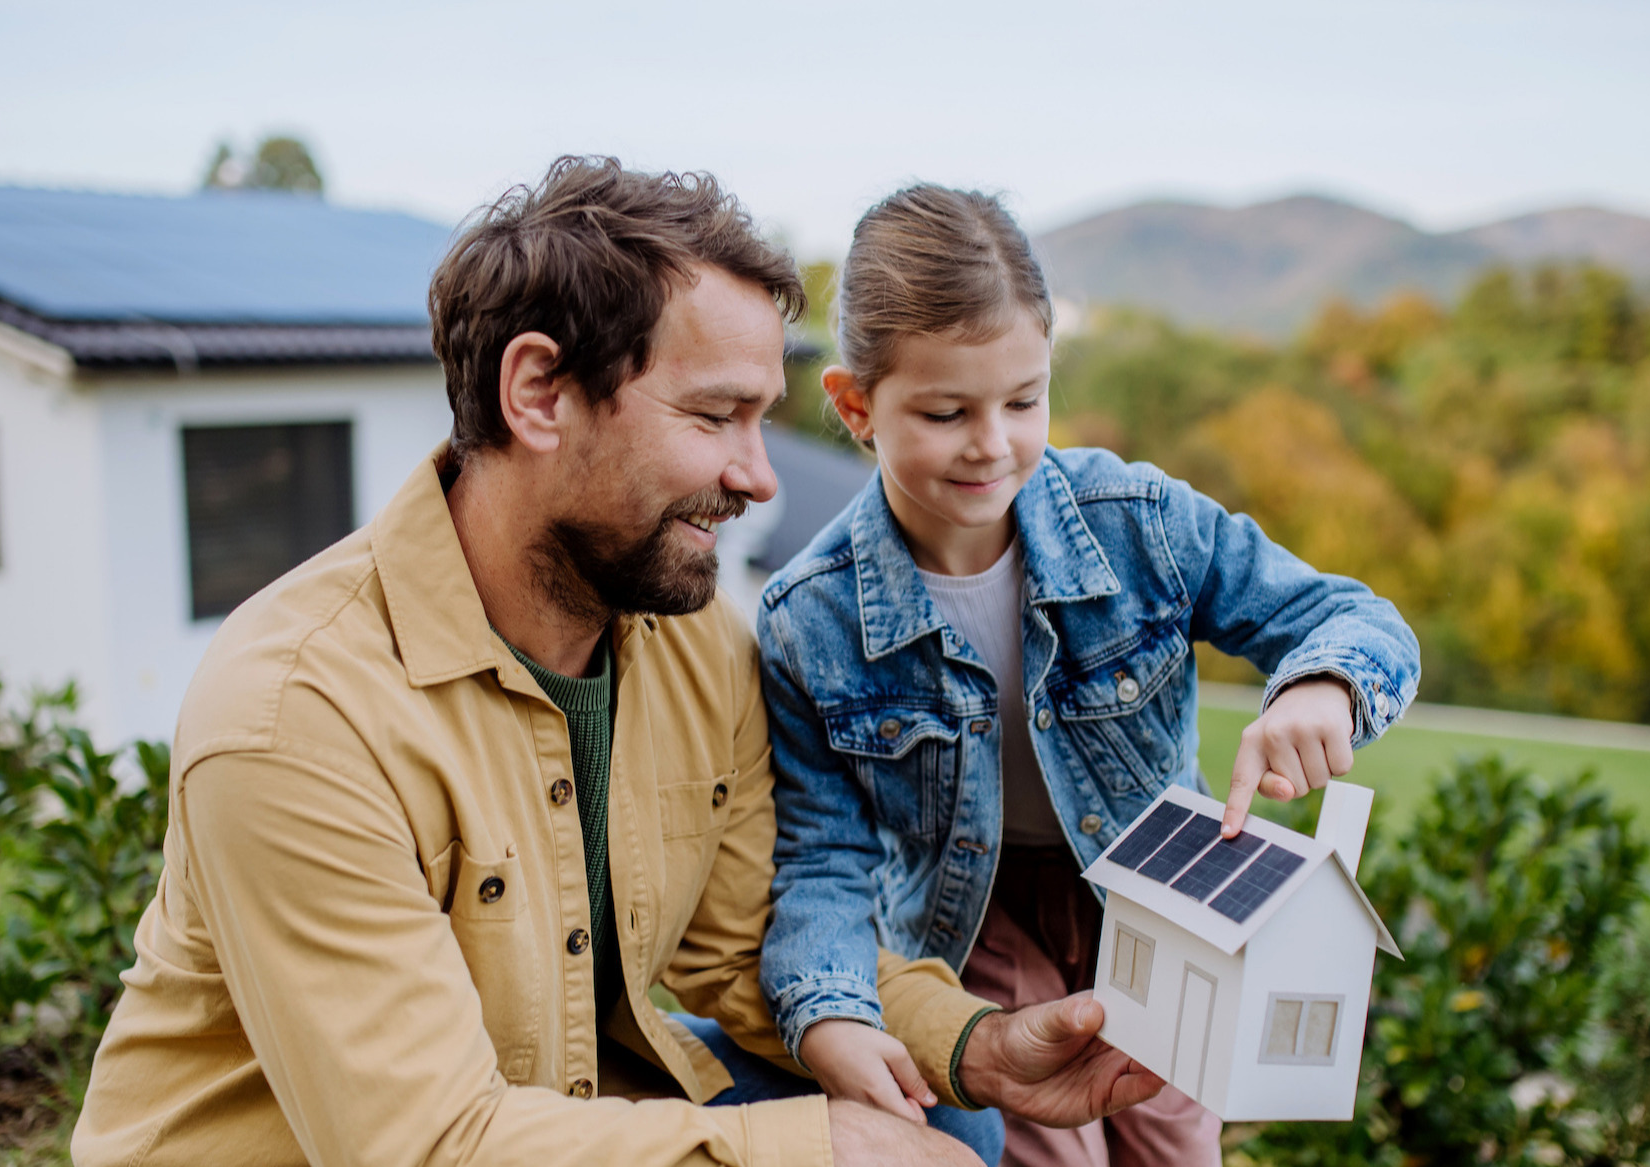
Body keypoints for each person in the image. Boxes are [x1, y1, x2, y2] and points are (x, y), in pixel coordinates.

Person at [71, 158, 1163, 1167]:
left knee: (937, 1105)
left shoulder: (687, 640)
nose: (757, 478)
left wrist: (973, 1043)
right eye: (713, 418)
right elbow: (423, 1144)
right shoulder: (298, 713)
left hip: (552, 1103)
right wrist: (807, 1150)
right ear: (538, 393)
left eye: (760, 421)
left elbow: (751, 944)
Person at [754, 185, 1421, 1167]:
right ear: (855, 404)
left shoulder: (1137, 522)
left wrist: (1321, 685)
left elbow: (1348, 617)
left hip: (1155, 896)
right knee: (1048, 1150)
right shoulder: (809, 620)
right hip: (968, 924)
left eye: (1023, 401)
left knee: (1171, 1141)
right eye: (945, 412)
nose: (993, 442)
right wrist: (831, 1010)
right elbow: (820, 858)